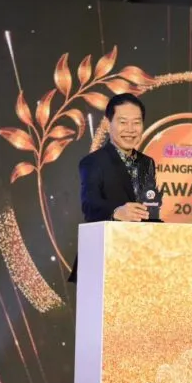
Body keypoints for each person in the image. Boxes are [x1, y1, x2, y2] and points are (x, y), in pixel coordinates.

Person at [67, 93, 156, 283]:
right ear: (108, 124)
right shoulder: (93, 162)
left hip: (139, 260)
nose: (130, 129)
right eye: (123, 122)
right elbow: (90, 205)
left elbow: (149, 206)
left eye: (136, 123)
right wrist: (116, 212)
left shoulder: (147, 163)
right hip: (103, 258)